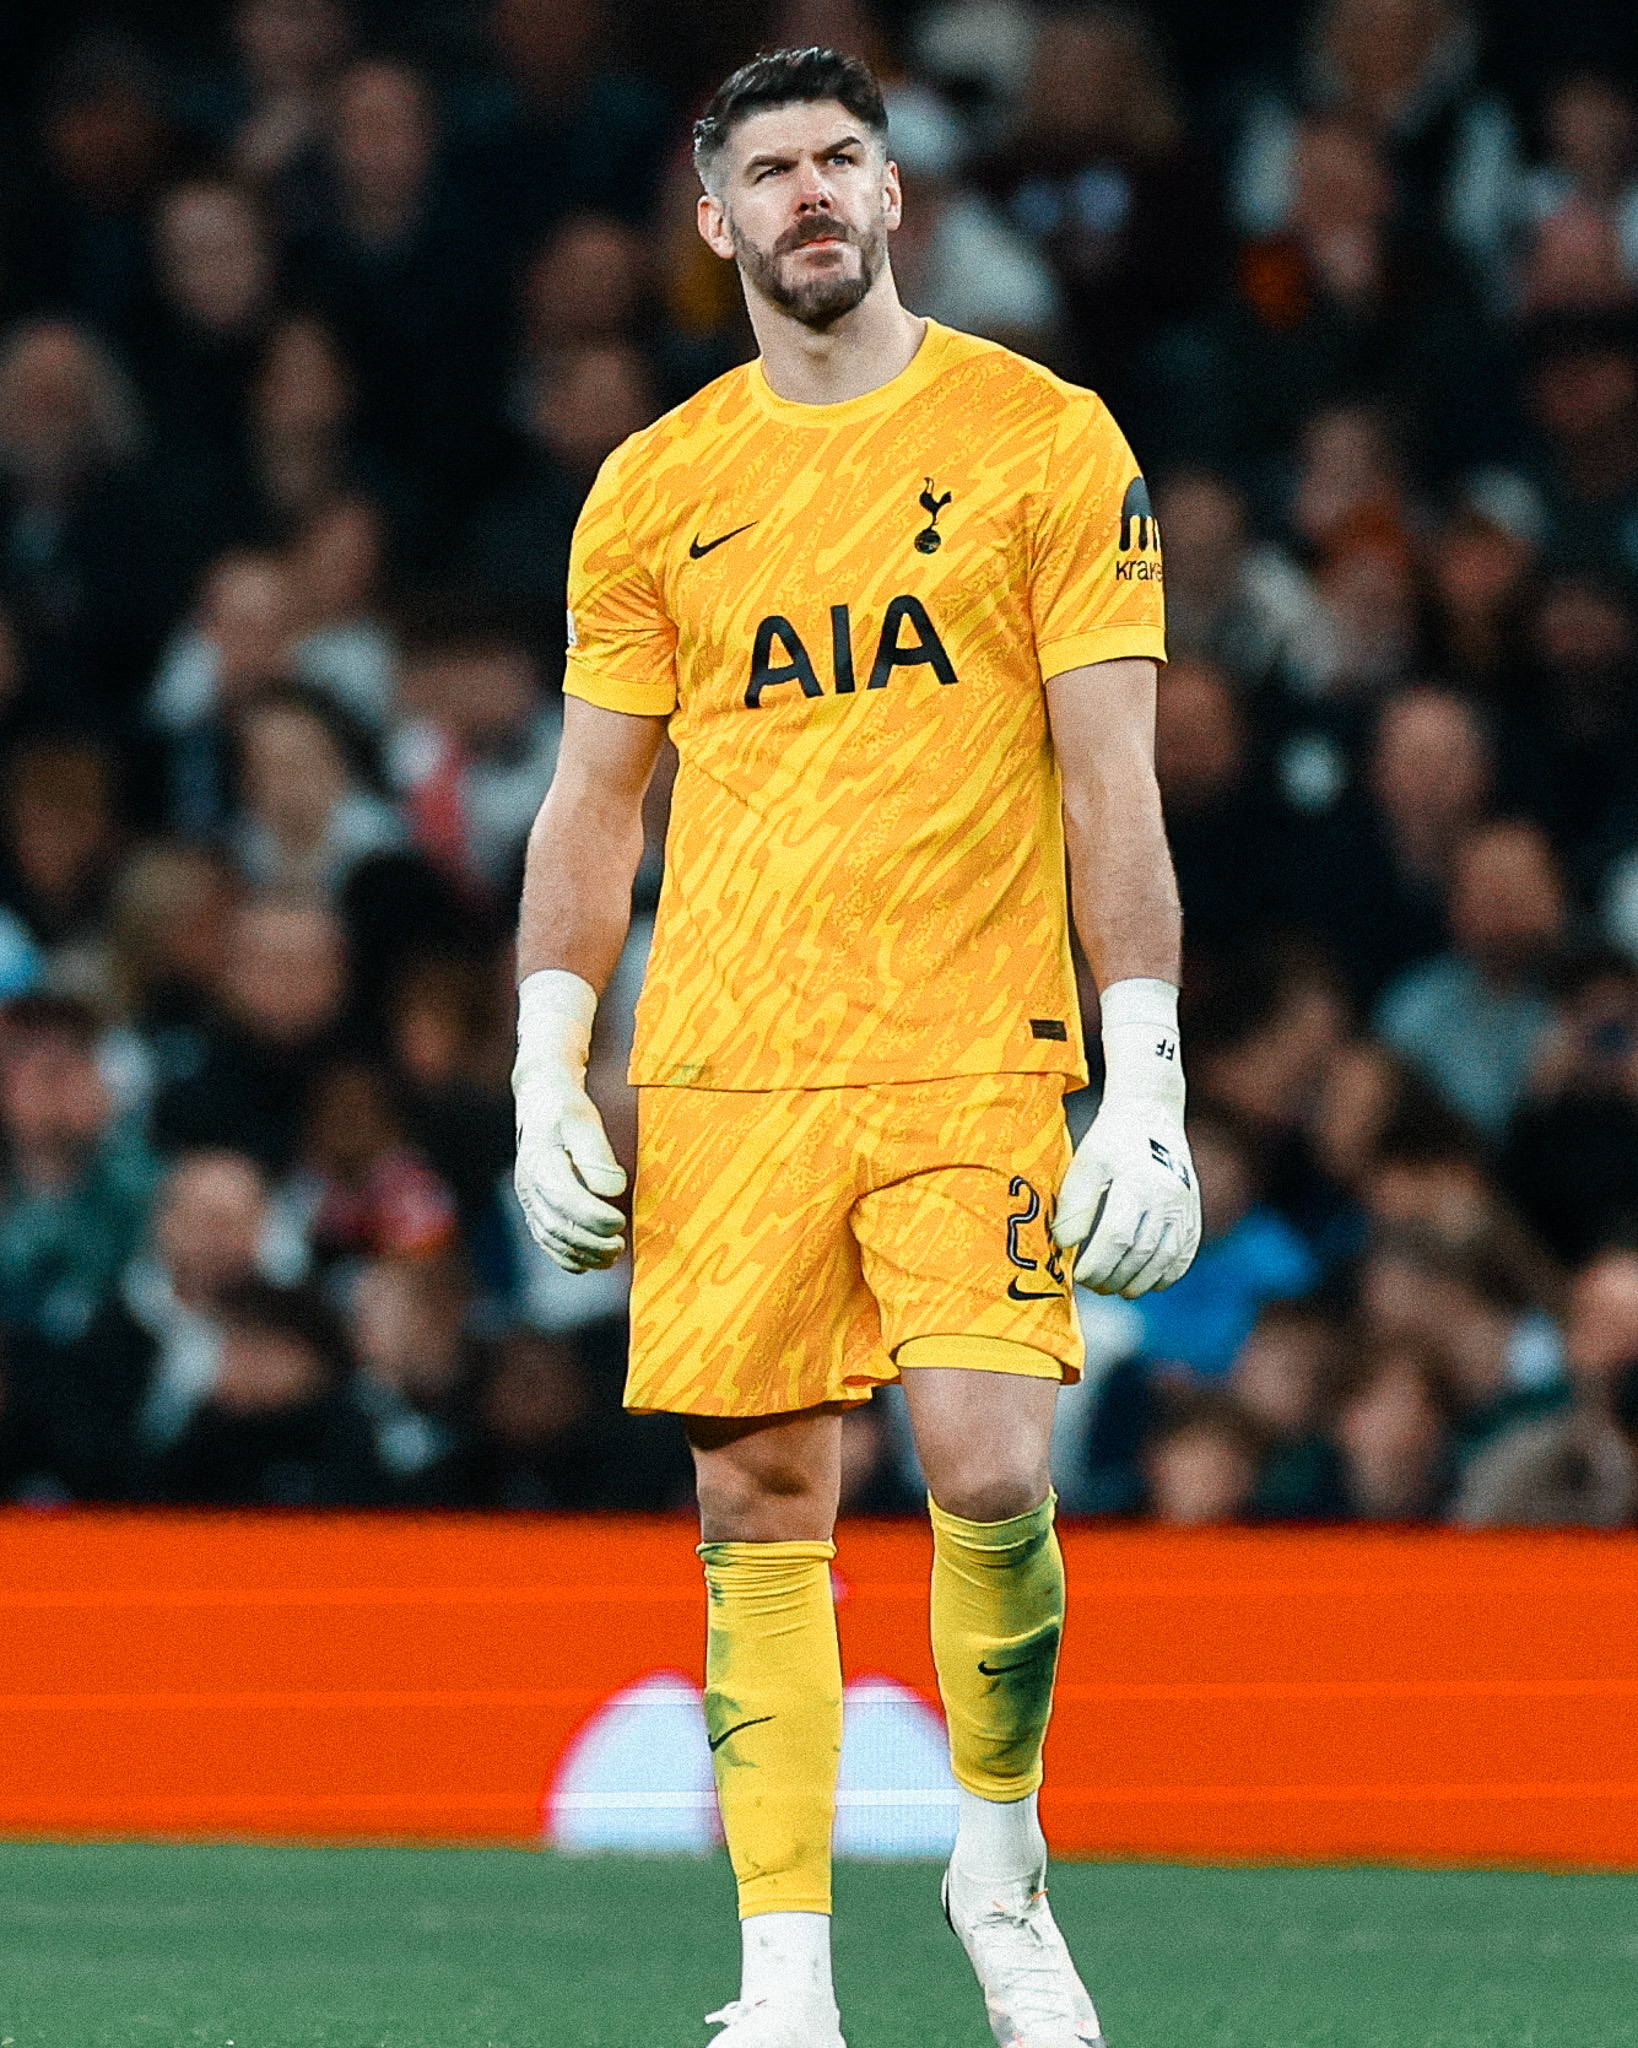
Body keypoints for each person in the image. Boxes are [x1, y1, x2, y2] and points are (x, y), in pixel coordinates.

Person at [510, 48, 1200, 2048]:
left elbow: (1112, 784)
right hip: (726, 1065)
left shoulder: (1044, 440)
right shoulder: (653, 487)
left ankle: (1000, 1860)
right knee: (759, 1505)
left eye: (842, 161)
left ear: (894, 195)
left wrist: (1143, 1076)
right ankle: (784, 1985)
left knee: (989, 1465)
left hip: (971, 1050)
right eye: (769, 172)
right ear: (712, 219)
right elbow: (590, 805)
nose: (811, 194)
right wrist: (553, 1062)